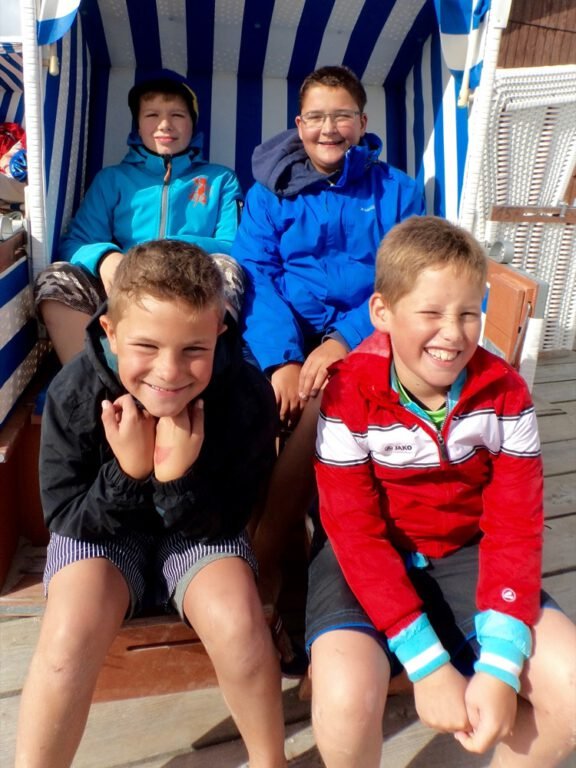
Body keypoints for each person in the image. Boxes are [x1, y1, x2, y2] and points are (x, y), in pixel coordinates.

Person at [306, 215, 576, 767]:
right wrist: (428, 666)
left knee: (570, 689)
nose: (453, 333)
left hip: (465, 551)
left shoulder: (505, 393)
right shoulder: (348, 394)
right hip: (364, 558)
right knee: (344, 696)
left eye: (469, 313)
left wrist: (500, 667)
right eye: (430, 313)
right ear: (382, 312)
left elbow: (515, 526)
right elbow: (353, 531)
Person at [15, 241, 287, 768]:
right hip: (102, 536)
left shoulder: (243, 395)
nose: (169, 372)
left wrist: (175, 479)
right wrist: (130, 472)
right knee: (68, 632)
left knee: (238, 622)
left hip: (199, 532)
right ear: (111, 333)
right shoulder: (76, 393)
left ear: (219, 333)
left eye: (193, 349)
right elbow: (66, 519)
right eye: (147, 347)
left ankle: (269, 760)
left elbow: (234, 515)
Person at [231, 65, 424, 611]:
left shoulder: (398, 190)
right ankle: (264, 547)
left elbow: (404, 276)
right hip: (285, 333)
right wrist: (281, 360)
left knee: (324, 404)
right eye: (316, 116)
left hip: (370, 329)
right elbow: (256, 274)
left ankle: (265, 560)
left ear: (362, 123)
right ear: (298, 123)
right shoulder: (270, 191)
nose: (328, 128)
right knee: (256, 404)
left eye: (342, 116)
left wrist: (342, 339)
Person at [35, 69, 244, 363]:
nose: (164, 124)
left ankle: (210, 383)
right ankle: (90, 383)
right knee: (55, 277)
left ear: (192, 124)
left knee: (229, 269)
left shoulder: (220, 179)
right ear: (137, 125)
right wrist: (107, 260)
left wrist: (171, 248)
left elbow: (233, 244)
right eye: (152, 115)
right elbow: (76, 241)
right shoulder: (112, 179)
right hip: (124, 286)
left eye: (177, 115)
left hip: (194, 287)